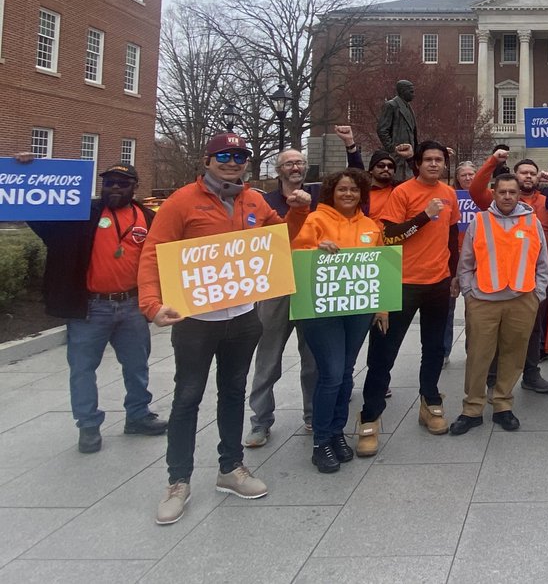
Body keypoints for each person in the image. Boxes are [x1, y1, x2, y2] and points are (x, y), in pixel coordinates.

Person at [139, 133, 311, 525]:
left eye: (240, 156)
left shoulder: (254, 200)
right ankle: (178, 481)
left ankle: (230, 467)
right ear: (208, 159)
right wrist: (151, 303)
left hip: (244, 317)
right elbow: (153, 250)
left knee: (233, 391)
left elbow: (279, 241)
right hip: (196, 321)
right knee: (187, 397)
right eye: (225, 155)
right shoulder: (182, 201)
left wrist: (299, 213)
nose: (233, 162)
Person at [23, 159, 167, 453]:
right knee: (83, 370)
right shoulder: (82, 214)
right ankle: (88, 426)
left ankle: (138, 415)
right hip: (90, 307)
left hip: (131, 305)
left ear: (134, 187)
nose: (114, 187)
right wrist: (26, 172)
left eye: (122, 183)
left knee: (137, 366)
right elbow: (39, 215)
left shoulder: (148, 218)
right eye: (109, 182)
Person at [245, 128, 363, 448]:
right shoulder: (263, 201)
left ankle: (312, 414)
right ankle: (260, 421)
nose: (295, 167)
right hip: (277, 287)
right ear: (278, 169)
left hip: (313, 287)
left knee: (314, 359)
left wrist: (351, 145)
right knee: (268, 357)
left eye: (299, 162)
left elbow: (356, 178)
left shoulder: (322, 198)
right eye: (288, 163)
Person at [357, 140, 460, 454]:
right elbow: (388, 235)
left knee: (434, 349)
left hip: (438, 282)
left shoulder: (449, 193)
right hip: (401, 282)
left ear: (444, 164)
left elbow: (453, 235)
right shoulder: (402, 193)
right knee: (383, 354)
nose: (433, 164)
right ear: (417, 164)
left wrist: (453, 273)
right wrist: (424, 217)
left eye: (438, 159)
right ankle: (370, 417)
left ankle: (430, 401)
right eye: (427, 159)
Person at [290, 168, 382, 473]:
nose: (348, 194)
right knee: (329, 374)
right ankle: (321, 441)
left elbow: (380, 268)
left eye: (354, 190)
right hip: (321, 310)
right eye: (343, 189)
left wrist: (381, 308)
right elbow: (293, 253)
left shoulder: (371, 225)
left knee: (345, 373)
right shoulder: (314, 219)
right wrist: (316, 250)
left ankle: (337, 432)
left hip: (357, 310)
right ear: (332, 191)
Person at [449, 173, 548, 435]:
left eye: (512, 192)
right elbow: (466, 261)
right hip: (484, 300)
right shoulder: (480, 221)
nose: (507, 196)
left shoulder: (532, 221)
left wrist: (537, 293)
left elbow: (542, 261)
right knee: (478, 357)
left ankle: (503, 405)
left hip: (522, 298)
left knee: (513, 354)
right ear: (494, 193)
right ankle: (472, 408)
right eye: (502, 192)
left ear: (519, 195)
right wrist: (470, 294)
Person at [470, 149, 548, 393]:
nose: (528, 176)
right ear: (515, 175)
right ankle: (493, 375)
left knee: (532, 328)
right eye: (523, 172)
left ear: (537, 178)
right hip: (499, 276)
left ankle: (531, 372)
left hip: (534, 278)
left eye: (532, 173)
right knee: (497, 329)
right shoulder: (501, 200)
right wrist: (493, 160)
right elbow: (475, 190)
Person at [444, 160, 478, 362]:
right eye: (463, 175)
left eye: (471, 174)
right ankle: (444, 351)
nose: (467, 178)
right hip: (450, 258)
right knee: (447, 307)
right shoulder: (450, 197)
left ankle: (472, 350)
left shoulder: (485, 198)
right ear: (457, 178)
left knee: (473, 309)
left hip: (475, 260)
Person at [377, 79, 419, 181]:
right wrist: (392, 149)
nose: (413, 94)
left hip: (409, 156)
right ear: (403, 91)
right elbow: (382, 130)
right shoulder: (391, 105)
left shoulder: (408, 107)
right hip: (398, 156)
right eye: (411, 91)